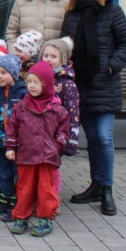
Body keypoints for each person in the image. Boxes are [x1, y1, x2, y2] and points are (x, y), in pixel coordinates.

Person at [61, 0, 126, 217]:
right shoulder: (71, 14)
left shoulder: (112, 10)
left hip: (104, 83)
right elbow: (65, 45)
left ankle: (106, 189)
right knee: (92, 138)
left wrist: (111, 67)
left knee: (103, 137)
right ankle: (95, 185)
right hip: (80, 86)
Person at [6, 61, 70, 237]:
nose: (32, 86)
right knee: (24, 187)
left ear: (47, 84)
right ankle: (21, 217)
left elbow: (64, 131)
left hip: (47, 157)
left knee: (46, 189)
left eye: (37, 82)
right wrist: (11, 146)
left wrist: (57, 146)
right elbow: (12, 127)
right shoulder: (21, 107)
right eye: (30, 82)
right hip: (26, 154)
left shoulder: (57, 110)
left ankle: (45, 218)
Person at [0, 55, 27, 221]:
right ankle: (5, 201)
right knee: (3, 173)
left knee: (17, 174)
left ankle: (17, 205)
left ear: (14, 73)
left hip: (17, 145)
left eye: (3, 72)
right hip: (0, 142)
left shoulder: (23, 94)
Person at [41, 37, 81, 193]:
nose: (49, 59)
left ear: (62, 59)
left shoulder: (67, 83)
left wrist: (71, 140)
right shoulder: (37, 78)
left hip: (57, 134)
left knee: (52, 167)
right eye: (46, 56)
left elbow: (73, 113)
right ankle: (41, 196)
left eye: (53, 56)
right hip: (38, 132)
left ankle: (52, 198)